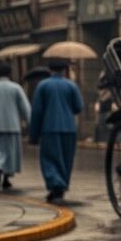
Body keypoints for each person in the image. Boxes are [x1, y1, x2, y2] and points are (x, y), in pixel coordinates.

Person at [28, 60, 83, 202]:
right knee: (66, 160)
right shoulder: (71, 85)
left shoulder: (43, 85)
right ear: (64, 70)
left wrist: (33, 135)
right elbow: (78, 106)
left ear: (50, 69)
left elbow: (37, 111)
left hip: (49, 128)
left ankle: (56, 185)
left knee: (50, 159)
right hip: (69, 128)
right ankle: (60, 187)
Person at [0, 63, 29, 192]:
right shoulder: (16, 88)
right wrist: (30, 122)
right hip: (12, 125)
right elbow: (25, 107)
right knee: (10, 153)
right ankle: (6, 178)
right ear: (10, 73)